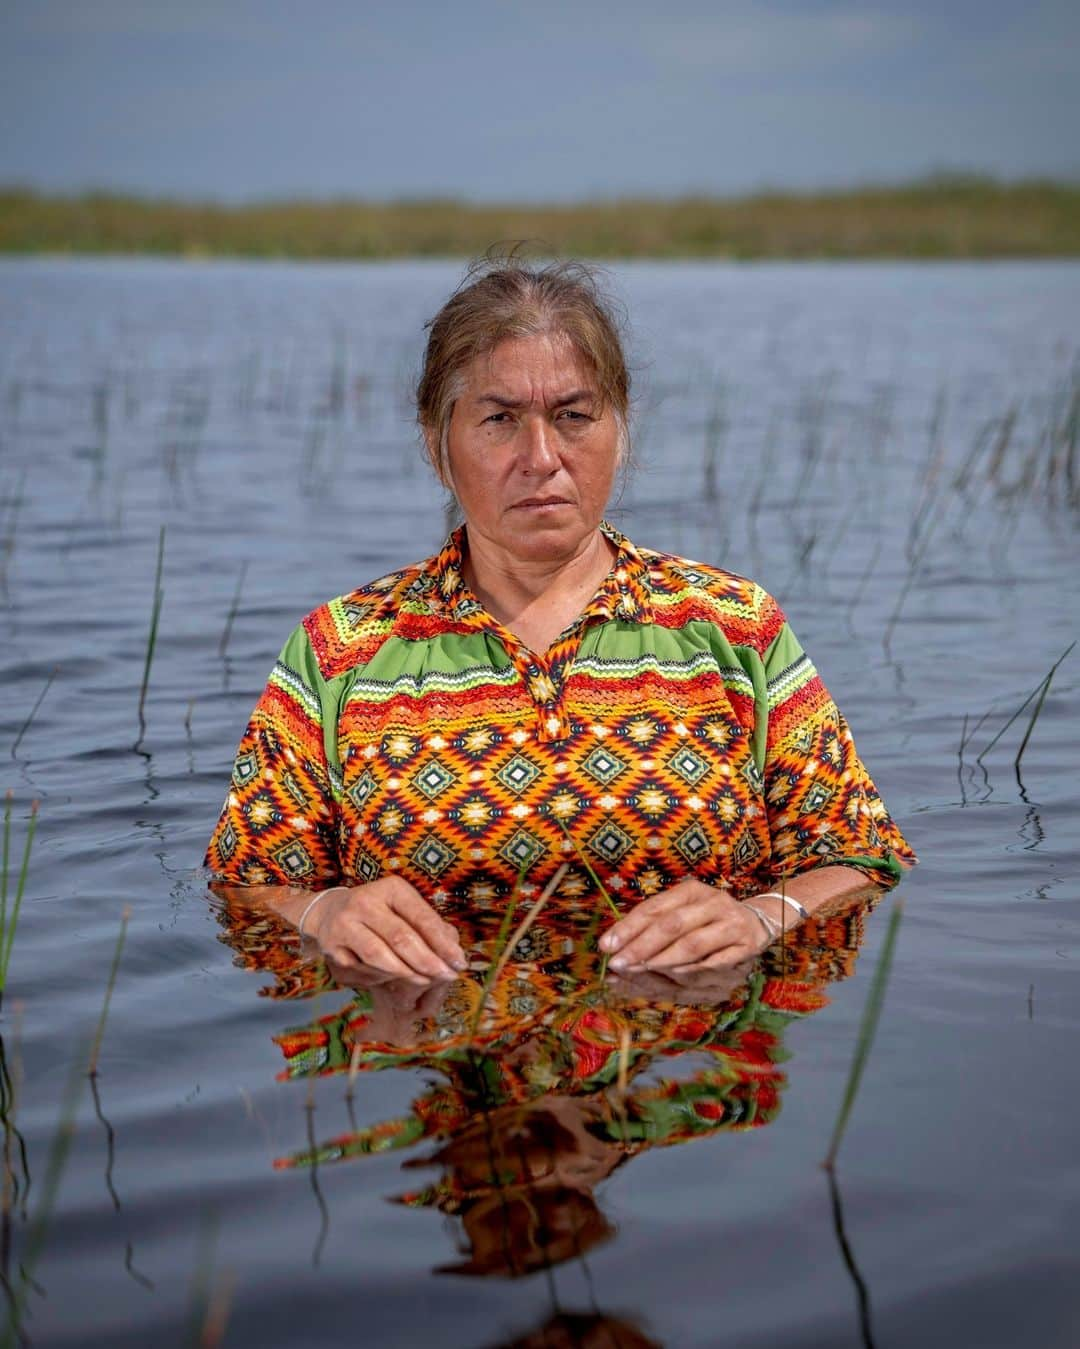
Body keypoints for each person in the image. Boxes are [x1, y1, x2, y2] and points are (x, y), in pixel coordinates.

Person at [206, 259, 915, 982]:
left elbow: (859, 854)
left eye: (574, 417)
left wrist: (764, 915)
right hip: (431, 1066)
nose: (541, 458)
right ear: (436, 441)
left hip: (686, 1075)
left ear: (621, 427)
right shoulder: (341, 651)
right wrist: (324, 913)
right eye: (499, 420)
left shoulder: (733, 630)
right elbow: (247, 879)